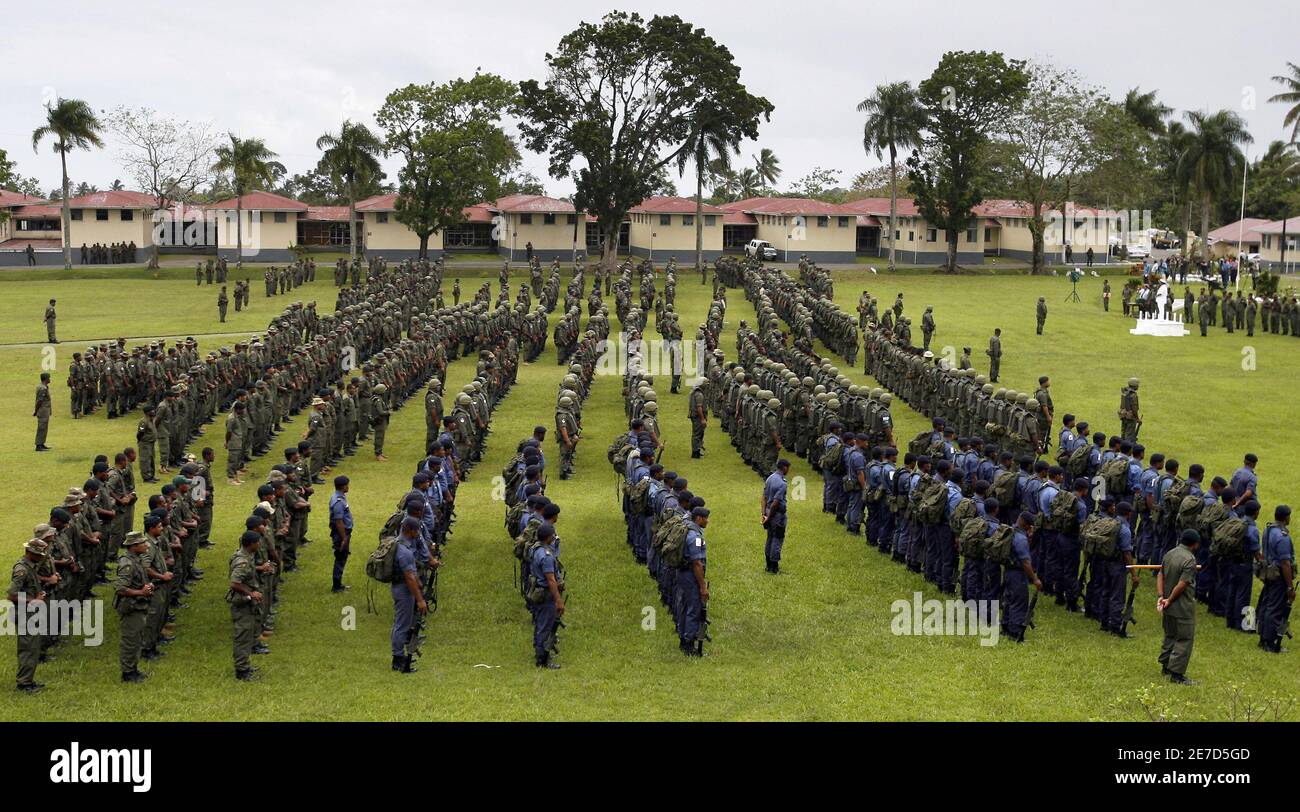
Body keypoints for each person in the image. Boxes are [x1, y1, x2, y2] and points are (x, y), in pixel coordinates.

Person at [1158, 529, 1201, 684]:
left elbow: (1160, 574)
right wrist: (1169, 599)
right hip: (1182, 606)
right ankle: (1177, 674)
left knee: (1170, 635)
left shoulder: (1170, 553)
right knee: (1184, 638)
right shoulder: (1190, 560)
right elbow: (1182, 584)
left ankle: (1165, 665)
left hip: (1168, 605)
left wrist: (1161, 596)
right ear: (1195, 544)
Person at [9, 538, 51, 692]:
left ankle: (28, 680)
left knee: (33, 648)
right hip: (24, 614)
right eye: (39, 554)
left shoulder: (30, 566)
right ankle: (24, 684)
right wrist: (34, 600)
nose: (42, 557)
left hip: (31, 613)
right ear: (29, 552)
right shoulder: (22, 569)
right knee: (28, 649)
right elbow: (12, 595)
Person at [114, 531, 154, 683]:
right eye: (143, 543)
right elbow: (120, 588)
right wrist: (141, 592)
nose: (146, 545)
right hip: (131, 607)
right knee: (130, 640)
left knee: (137, 639)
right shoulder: (128, 564)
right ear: (134, 546)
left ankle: (133, 668)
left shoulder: (136, 559)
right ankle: (128, 673)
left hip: (138, 605)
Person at [392, 517, 429, 673]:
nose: (417, 533)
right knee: (402, 625)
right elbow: (409, 577)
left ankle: (399, 656)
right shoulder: (405, 551)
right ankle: (398, 659)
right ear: (410, 531)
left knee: (401, 623)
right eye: (416, 531)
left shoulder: (398, 544)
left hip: (399, 587)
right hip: (404, 590)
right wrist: (420, 600)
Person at [1256, 505, 1293, 653]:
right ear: (1285, 517)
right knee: (1275, 608)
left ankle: (1263, 638)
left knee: (1266, 606)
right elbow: (1285, 563)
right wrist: (1290, 586)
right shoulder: (1283, 537)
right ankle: (1269, 642)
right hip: (1278, 576)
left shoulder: (1268, 529)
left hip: (1268, 573)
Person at [227, 530, 263, 680]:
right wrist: (250, 593)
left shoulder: (247, 556)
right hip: (242, 604)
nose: (260, 544)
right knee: (243, 637)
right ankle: (241, 671)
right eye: (258, 542)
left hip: (246, 602)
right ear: (251, 544)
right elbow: (234, 583)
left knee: (247, 636)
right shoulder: (242, 561)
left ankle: (245, 665)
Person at [528, 522, 564, 669]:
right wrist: (558, 600)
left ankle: (539, 650)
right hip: (545, 593)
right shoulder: (547, 556)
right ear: (548, 537)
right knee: (545, 626)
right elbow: (551, 579)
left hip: (536, 591)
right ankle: (542, 659)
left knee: (539, 623)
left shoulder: (535, 549)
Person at [676, 507, 710, 656]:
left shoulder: (687, 528)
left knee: (684, 605)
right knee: (693, 608)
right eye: (705, 518)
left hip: (682, 574)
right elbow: (697, 563)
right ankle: (689, 644)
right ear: (698, 518)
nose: (707, 521)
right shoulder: (695, 537)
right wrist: (703, 587)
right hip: (690, 575)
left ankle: (683, 638)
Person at [762, 459, 790, 574]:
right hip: (777, 515)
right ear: (784, 467)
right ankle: (774, 567)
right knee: (777, 539)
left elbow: (763, 497)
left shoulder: (770, 478)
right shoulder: (782, 483)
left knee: (770, 538)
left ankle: (768, 565)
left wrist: (764, 514)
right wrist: (770, 516)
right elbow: (776, 502)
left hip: (768, 512)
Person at [329, 475, 353, 593]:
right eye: (347, 485)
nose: (348, 487)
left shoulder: (340, 497)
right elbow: (339, 521)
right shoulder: (338, 501)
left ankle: (339, 584)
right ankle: (336, 586)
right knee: (340, 558)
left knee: (342, 557)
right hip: (341, 533)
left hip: (342, 532)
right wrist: (344, 538)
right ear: (343, 486)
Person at [370, 383, 390, 460]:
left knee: (381, 437)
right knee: (379, 437)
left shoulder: (378, 398)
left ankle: (380, 452)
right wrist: (387, 412)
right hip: (379, 421)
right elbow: (381, 412)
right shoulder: (378, 400)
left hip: (381, 420)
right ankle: (378, 454)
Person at [34, 372, 52, 452]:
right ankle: (38, 445)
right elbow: (39, 401)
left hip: (45, 410)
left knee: (44, 428)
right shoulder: (42, 388)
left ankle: (41, 443)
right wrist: (36, 410)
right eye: (49, 378)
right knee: (41, 428)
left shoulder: (43, 387)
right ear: (46, 379)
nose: (50, 379)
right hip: (43, 410)